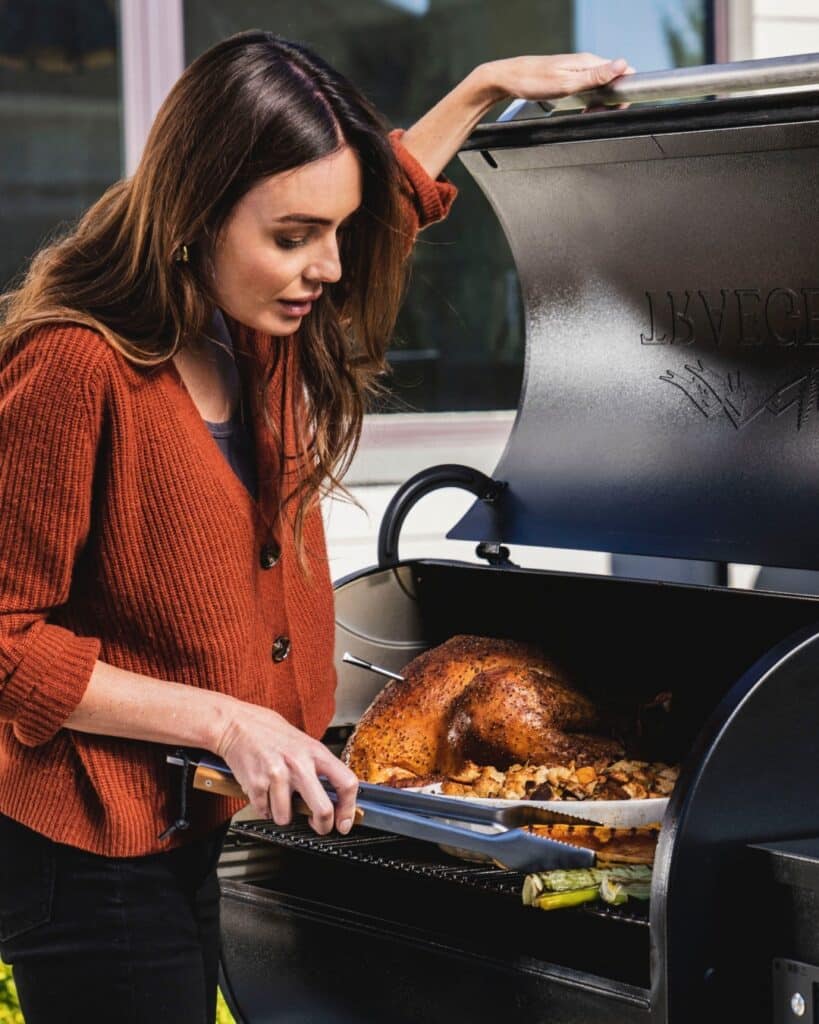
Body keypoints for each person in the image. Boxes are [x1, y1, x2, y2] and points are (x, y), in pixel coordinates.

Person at [0, 29, 630, 1023]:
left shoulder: (255, 332)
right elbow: (6, 637)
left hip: (184, 822)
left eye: (332, 232)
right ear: (195, 217)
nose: (327, 266)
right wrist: (223, 718)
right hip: (85, 847)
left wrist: (481, 86)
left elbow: (387, 207)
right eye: (292, 237)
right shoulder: (76, 369)